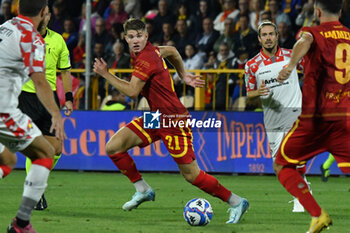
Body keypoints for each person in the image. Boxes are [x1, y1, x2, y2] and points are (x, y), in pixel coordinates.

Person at [93, 18, 249, 224]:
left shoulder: (147, 58)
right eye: (131, 37)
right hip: (156, 117)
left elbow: (132, 91)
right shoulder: (154, 51)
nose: (136, 40)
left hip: (174, 120)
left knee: (192, 175)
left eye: (139, 36)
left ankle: (236, 202)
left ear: (146, 36)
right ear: (126, 39)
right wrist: (183, 74)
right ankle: (143, 190)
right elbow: (173, 51)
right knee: (114, 147)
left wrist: (106, 74)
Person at [275, 0, 350, 232]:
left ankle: (317, 215)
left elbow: (304, 42)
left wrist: (291, 64)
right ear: (340, 11)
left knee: (282, 165)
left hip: (315, 120)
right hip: (345, 118)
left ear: (317, 12)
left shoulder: (312, 32)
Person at [0, 0, 65, 232]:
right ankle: (21, 223)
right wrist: (56, 113)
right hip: (3, 112)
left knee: (7, 161)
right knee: (45, 153)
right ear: (44, 12)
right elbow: (40, 81)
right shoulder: (32, 38)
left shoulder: (5, 27)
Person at [245, 21, 309, 213]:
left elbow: (310, 68)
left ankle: (301, 197)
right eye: (264, 35)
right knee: (279, 165)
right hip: (272, 116)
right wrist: (259, 92)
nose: (268, 38)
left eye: (271, 34)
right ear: (259, 39)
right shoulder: (252, 65)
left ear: (277, 36)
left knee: (293, 155)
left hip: (294, 110)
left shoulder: (291, 55)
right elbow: (249, 94)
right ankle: (303, 191)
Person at [19, 11, 73, 211]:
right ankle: (36, 190)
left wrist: (68, 98)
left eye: (48, 14)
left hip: (49, 98)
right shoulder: (22, 36)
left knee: (56, 149)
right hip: (26, 95)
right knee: (34, 146)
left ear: (49, 17)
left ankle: (35, 181)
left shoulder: (58, 40)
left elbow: (65, 70)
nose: (45, 17)